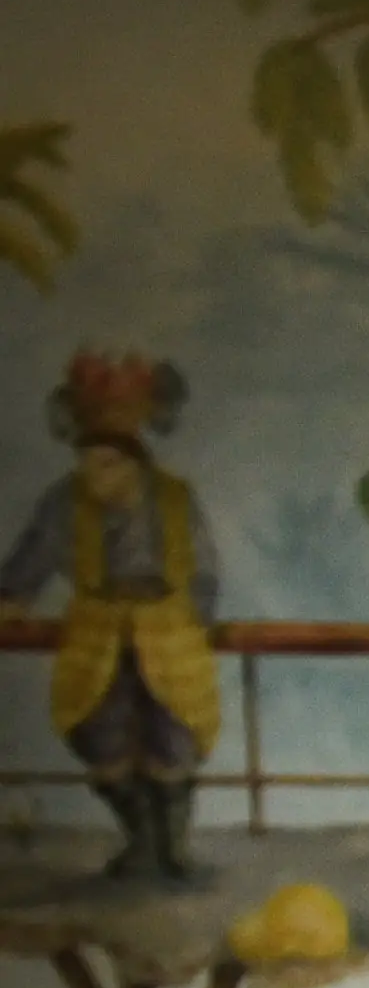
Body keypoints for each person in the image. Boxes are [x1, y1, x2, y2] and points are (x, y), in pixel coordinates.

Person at [1, 352, 222, 884]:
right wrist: (12, 597)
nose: (92, 475)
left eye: (106, 464)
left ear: (133, 463)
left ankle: (172, 848)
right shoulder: (65, 501)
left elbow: (203, 568)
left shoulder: (175, 499)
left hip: (168, 631)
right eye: (87, 461)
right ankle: (141, 842)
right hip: (96, 631)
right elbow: (33, 553)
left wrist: (198, 618)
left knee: (174, 735)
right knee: (100, 734)